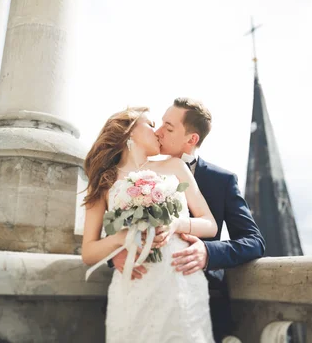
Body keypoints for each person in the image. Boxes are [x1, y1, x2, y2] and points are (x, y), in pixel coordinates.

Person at [112, 98, 266, 342]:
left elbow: (254, 241)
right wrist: (115, 254)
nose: (158, 131)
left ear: (191, 139)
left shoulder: (222, 180)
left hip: (199, 297)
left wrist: (207, 252)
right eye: (161, 123)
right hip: (143, 290)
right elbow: (115, 229)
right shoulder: (134, 174)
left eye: (169, 127)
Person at [81, 106, 218, 343]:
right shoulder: (104, 182)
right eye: (151, 124)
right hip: (134, 287)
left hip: (180, 280)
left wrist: (176, 223)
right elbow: (88, 252)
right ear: (129, 132)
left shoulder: (175, 167)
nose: (158, 131)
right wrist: (120, 239)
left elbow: (210, 224)